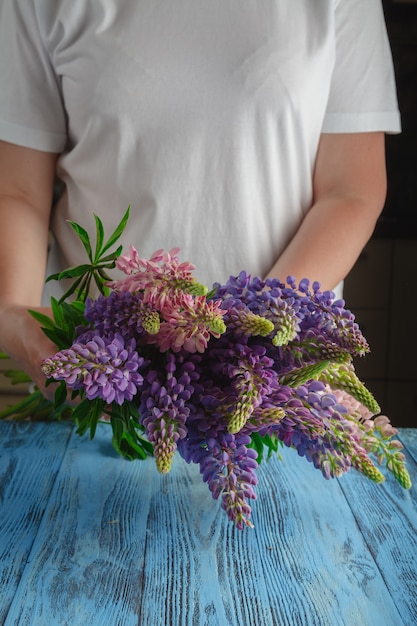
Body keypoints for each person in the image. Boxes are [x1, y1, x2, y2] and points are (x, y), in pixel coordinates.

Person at [0, 0, 400, 397]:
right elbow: (16, 189)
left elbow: (350, 190)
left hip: (275, 380)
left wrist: (250, 337)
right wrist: (13, 312)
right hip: (95, 371)